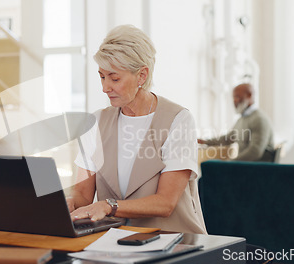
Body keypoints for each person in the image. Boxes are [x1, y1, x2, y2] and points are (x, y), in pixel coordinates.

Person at [67, 25, 207, 234]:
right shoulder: (96, 122)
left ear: (142, 76)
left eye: (114, 78)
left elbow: (165, 203)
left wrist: (109, 205)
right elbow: (83, 195)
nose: (105, 87)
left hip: (176, 243)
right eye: (102, 76)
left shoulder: (178, 120)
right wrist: (64, 202)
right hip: (114, 243)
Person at [198, 83, 274, 161]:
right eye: (233, 97)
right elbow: (227, 139)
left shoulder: (259, 119)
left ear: (249, 95)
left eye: (237, 97)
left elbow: (255, 152)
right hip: (244, 167)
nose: (234, 101)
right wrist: (205, 142)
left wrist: (231, 163)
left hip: (257, 169)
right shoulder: (242, 119)